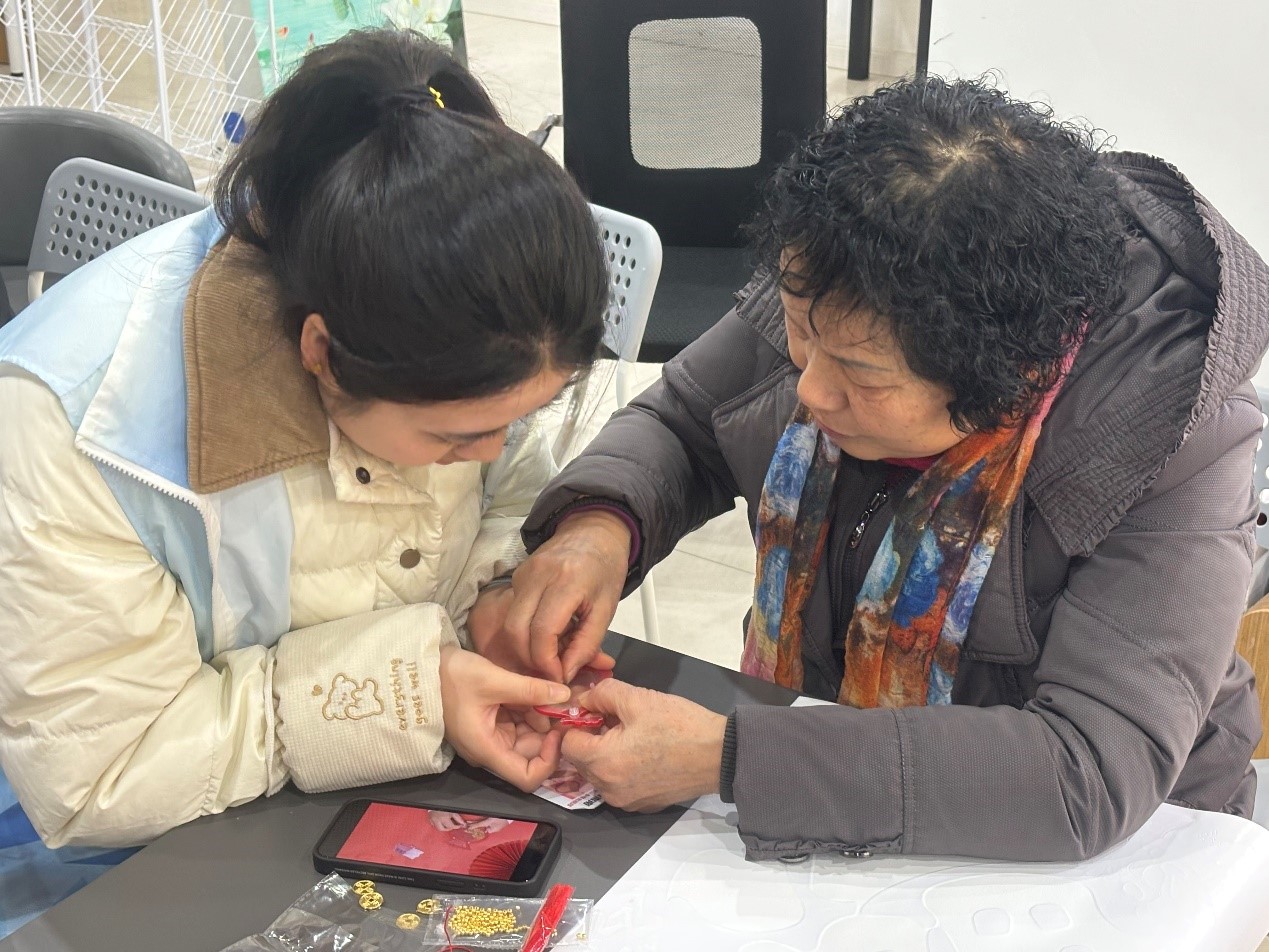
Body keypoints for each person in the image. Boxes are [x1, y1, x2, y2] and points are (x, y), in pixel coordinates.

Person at [501, 77, 1269, 861]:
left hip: (1129, 855)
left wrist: (730, 758)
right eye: (799, 336)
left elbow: (1085, 771)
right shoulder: (841, 283)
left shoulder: (1171, 431)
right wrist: (599, 527)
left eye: (860, 376)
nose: (808, 389)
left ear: (1001, 374)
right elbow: (684, 421)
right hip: (847, 778)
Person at [0, 28, 608, 936]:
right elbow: (103, 777)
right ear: (320, 351)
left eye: (517, 419)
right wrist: (418, 690)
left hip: (341, 809)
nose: (491, 452)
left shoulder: (466, 325)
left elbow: (509, 490)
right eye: (455, 437)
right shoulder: (73, 425)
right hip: (108, 867)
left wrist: (497, 594)